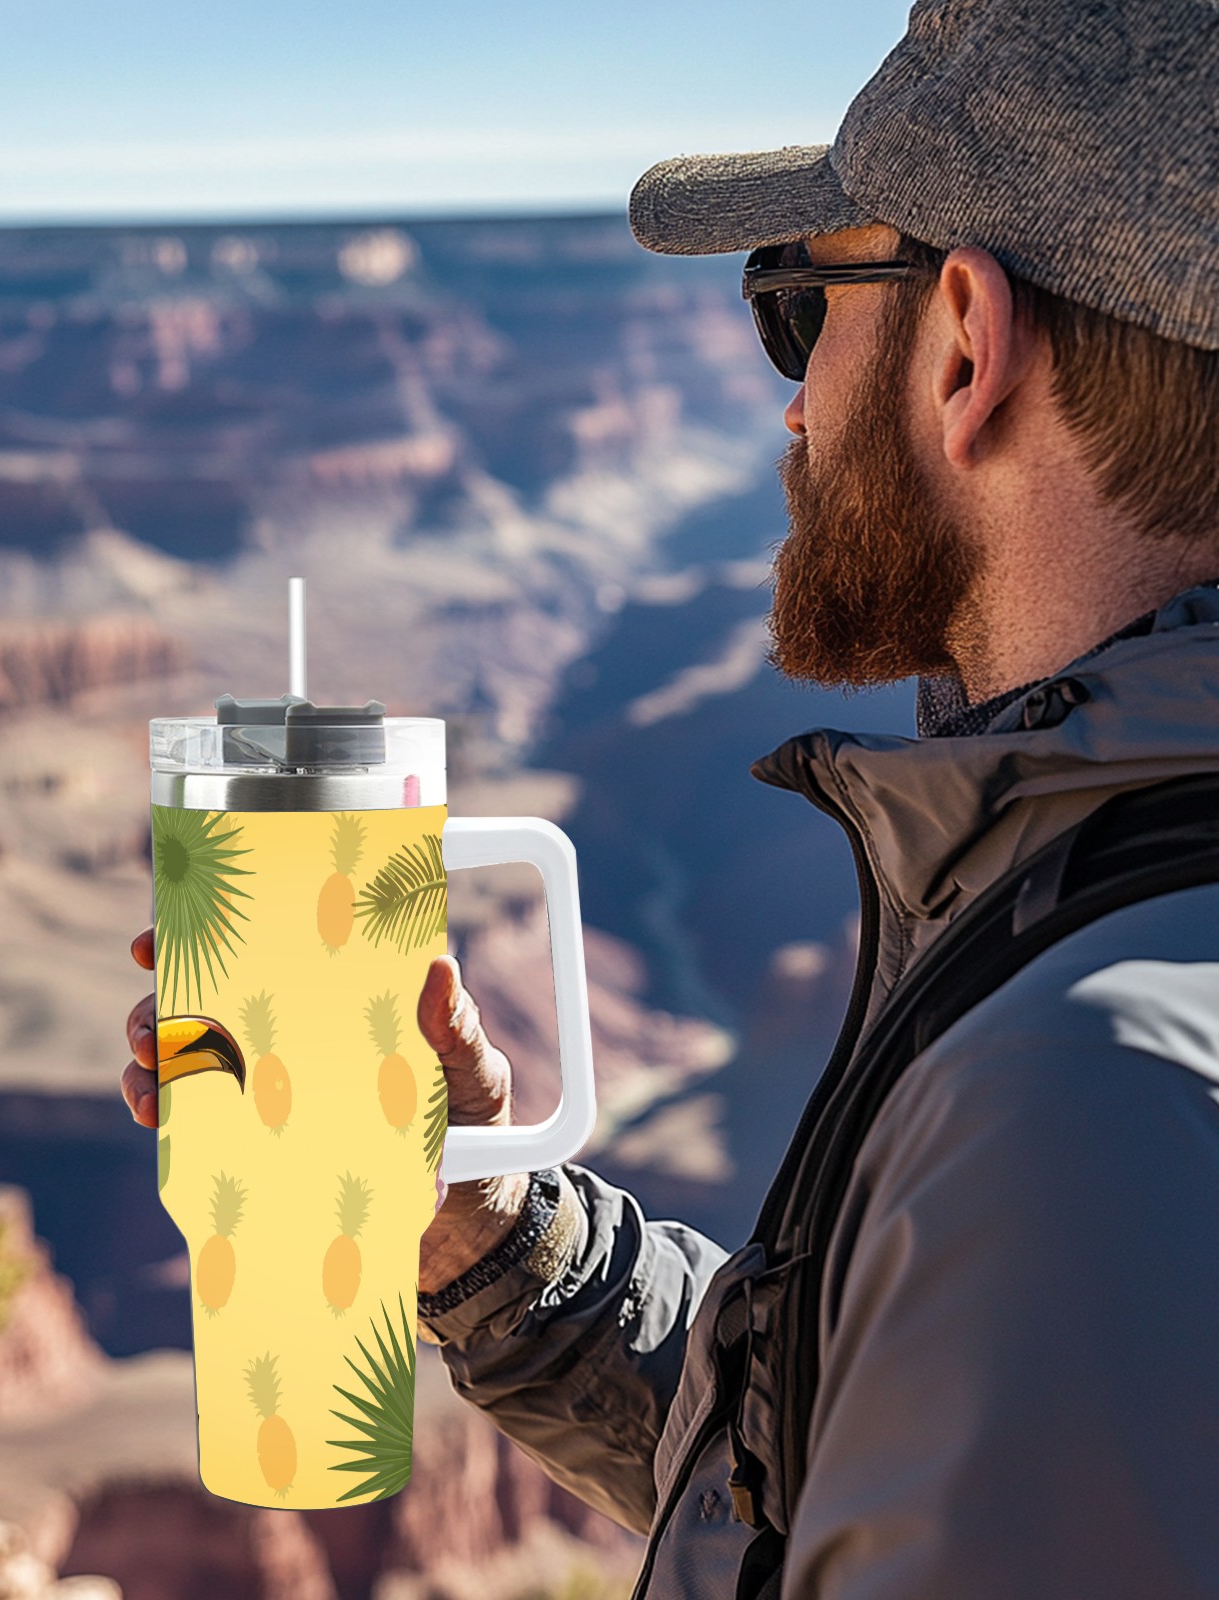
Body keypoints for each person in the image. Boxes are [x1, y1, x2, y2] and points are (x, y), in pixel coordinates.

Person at [123, 0, 1219, 1592]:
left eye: (801, 305)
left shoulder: (1079, 1103)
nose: (792, 402)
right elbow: (856, 1471)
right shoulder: (1111, 962)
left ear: (966, 344)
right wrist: (482, 1226)